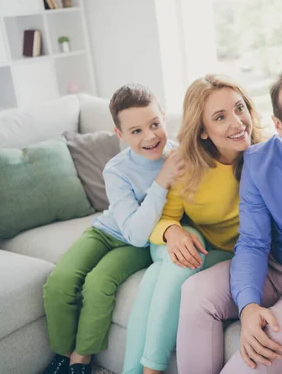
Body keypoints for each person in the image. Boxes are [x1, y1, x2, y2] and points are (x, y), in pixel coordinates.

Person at [176, 63, 282, 374]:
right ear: (279, 124)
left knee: (265, 340)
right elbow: (252, 242)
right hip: (272, 268)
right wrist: (249, 306)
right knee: (196, 292)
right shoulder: (257, 161)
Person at [122, 74, 264, 374]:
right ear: (202, 131)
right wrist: (172, 233)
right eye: (221, 117)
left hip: (227, 254)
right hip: (176, 243)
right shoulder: (185, 164)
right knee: (184, 254)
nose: (238, 122)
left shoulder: (265, 156)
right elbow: (166, 218)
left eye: (240, 108)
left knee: (154, 279)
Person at [42, 84, 181, 374]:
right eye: (136, 131)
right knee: (59, 280)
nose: (150, 136)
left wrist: (164, 177)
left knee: (98, 284)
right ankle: (63, 355)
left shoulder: (178, 158)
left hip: (138, 243)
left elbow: (137, 236)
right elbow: (125, 224)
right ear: (120, 134)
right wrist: (160, 183)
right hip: (105, 231)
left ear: (164, 119)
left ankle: (81, 360)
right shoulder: (116, 169)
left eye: (155, 124)